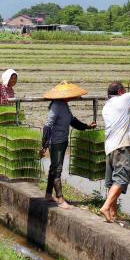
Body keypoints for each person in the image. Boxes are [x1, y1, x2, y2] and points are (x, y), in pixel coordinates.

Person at [39, 81, 96, 209]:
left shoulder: (64, 105)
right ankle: (60, 198)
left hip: (63, 141)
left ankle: (48, 194)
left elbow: (72, 121)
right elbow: (48, 125)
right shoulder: (56, 106)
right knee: (57, 169)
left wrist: (86, 126)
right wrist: (45, 145)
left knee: (54, 168)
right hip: (56, 142)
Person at [99, 77, 130, 222]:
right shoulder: (123, 99)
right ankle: (106, 207)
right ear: (120, 92)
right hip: (121, 146)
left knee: (113, 181)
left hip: (110, 147)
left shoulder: (106, 106)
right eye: (124, 90)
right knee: (121, 179)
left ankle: (113, 214)